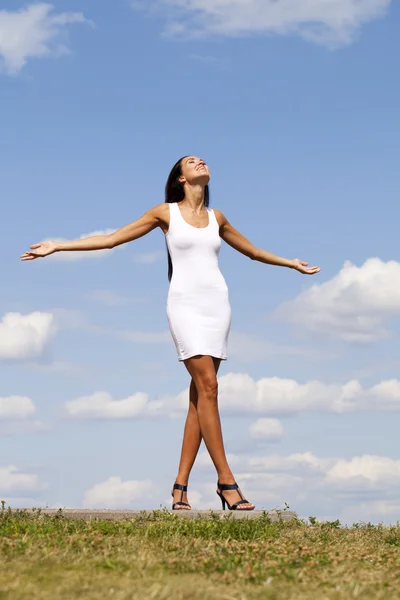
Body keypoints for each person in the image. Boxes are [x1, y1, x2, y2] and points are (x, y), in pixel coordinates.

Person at [21, 155, 320, 511]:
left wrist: (291, 263)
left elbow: (252, 251)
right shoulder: (165, 213)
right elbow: (113, 239)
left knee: (200, 399)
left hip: (217, 308)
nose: (200, 162)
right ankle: (227, 481)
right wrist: (58, 245)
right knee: (209, 387)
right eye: (191, 162)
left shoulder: (216, 218)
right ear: (180, 178)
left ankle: (180, 488)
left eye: (202, 160)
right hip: (185, 308)